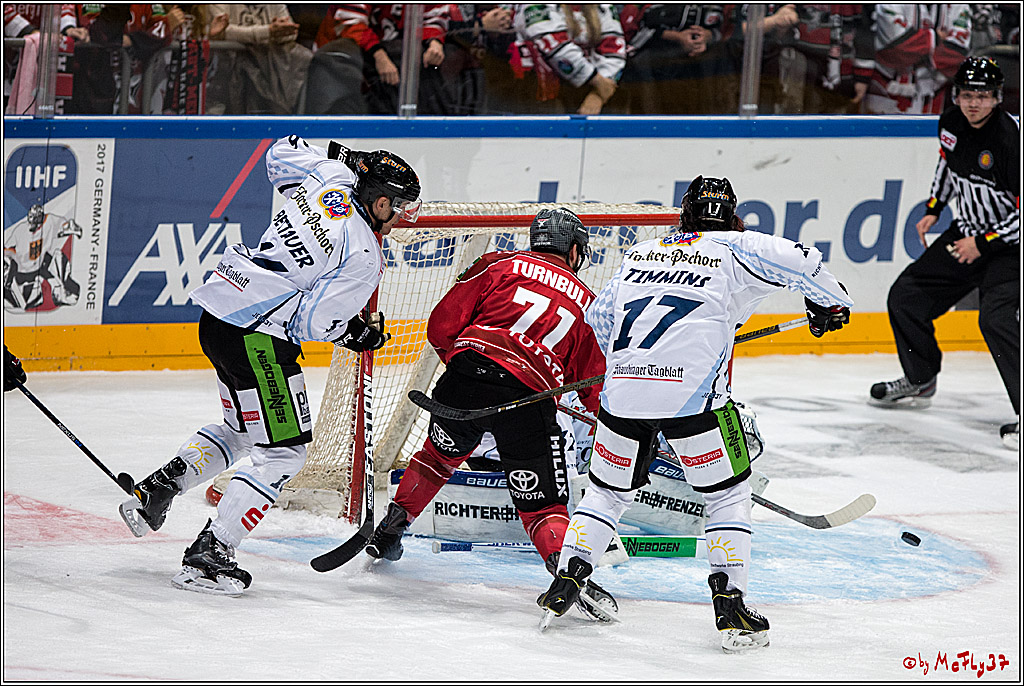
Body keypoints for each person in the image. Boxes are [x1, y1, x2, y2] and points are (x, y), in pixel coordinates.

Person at [537, 177, 853, 650]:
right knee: (728, 495)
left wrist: (644, 365)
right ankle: (730, 605)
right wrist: (830, 303)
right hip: (695, 402)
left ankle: (566, 581)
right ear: (730, 213)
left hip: (621, 396)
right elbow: (806, 262)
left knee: (605, 493)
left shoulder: (640, 252)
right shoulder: (737, 245)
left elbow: (600, 323)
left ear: (684, 213)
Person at [118, 135, 421, 595]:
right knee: (284, 452)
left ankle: (158, 488)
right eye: (399, 207)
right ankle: (210, 553)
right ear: (380, 202)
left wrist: (342, 156)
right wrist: (359, 334)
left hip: (219, 313)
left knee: (242, 431)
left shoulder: (330, 178)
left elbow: (277, 155)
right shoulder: (364, 255)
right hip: (258, 340)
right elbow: (319, 322)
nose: (402, 218)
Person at [366, 207, 617, 620]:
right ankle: (566, 574)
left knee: (437, 456)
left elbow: (443, 324)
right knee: (543, 507)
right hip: (525, 403)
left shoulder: (497, 263)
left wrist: (465, 369)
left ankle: (390, 530)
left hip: (461, 385)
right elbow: (592, 381)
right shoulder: (589, 303)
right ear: (574, 251)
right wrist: (607, 418)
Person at [870, 57, 1019, 450]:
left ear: (997, 98)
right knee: (906, 296)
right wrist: (935, 207)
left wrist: (983, 243)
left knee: (996, 320)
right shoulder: (951, 122)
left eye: (983, 96)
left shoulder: (1011, 142)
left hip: (1009, 247)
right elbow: (947, 166)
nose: (974, 103)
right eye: (967, 95)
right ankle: (920, 379)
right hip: (965, 234)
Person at [4, 204, 83, 313]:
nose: (31, 224)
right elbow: (7, 249)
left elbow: (65, 225)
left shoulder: (50, 221)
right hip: (23, 272)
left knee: (58, 256)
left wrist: (73, 229)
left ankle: (63, 291)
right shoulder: (20, 229)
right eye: (30, 219)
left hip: (40, 267)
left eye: (35, 220)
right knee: (25, 302)